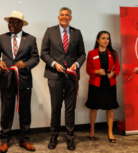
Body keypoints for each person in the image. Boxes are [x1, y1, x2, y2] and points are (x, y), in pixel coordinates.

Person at [0, 11, 39, 153]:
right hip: (6, 79)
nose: (10, 25)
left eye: (13, 22)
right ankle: (4, 139)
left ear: (21, 24)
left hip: (24, 80)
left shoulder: (30, 39)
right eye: (9, 22)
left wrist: (26, 64)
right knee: (6, 111)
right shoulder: (2, 37)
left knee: (25, 111)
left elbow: (35, 58)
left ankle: (24, 139)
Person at [40, 7, 86, 151]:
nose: (64, 17)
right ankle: (53, 137)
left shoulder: (77, 33)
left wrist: (77, 64)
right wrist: (54, 64)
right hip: (54, 75)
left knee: (70, 109)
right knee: (55, 108)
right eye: (62, 15)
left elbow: (82, 54)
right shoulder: (50, 31)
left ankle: (70, 138)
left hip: (71, 75)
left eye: (67, 15)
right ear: (58, 17)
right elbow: (44, 53)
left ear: (70, 18)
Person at [85, 31, 120, 143]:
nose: (106, 40)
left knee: (109, 108)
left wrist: (113, 73)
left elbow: (117, 68)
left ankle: (110, 132)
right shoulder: (91, 53)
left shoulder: (113, 53)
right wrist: (97, 71)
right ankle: (92, 130)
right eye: (103, 38)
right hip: (96, 84)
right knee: (94, 108)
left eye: (108, 38)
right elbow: (88, 70)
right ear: (98, 40)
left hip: (109, 84)